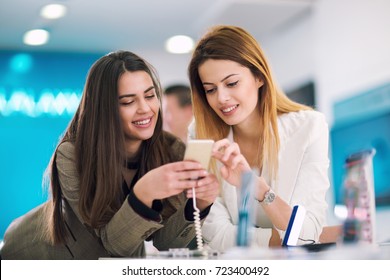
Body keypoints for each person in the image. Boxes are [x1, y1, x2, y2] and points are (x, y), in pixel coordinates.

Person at [1, 50, 219, 259]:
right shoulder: (71, 155)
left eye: (150, 95)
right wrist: (143, 193)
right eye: (128, 101)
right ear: (104, 107)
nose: (145, 108)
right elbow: (114, 243)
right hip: (34, 256)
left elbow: (168, 243)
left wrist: (197, 204)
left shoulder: (172, 149)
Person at [187, 25, 330, 252]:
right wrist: (279, 240)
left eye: (232, 83)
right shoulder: (200, 133)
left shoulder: (309, 127)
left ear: (259, 77)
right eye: (210, 89)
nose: (221, 98)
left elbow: (307, 232)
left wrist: (261, 191)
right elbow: (216, 235)